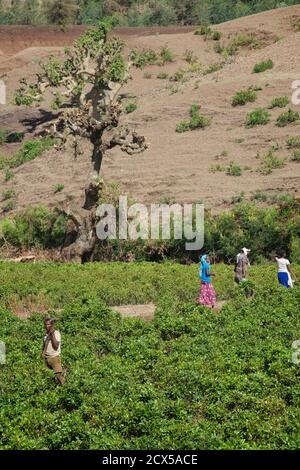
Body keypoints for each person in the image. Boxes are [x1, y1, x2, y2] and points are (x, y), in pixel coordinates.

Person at [41, 318, 65, 385]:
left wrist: (52, 334)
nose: (46, 326)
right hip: (46, 358)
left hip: (54, 357)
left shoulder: (56, 333)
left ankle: (65, 388)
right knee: (47, 377)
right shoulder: (45, 335)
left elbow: (56, 346)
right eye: (45, 324)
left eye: (48, 324)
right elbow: (44, 346)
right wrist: (42, 354)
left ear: (52, 325)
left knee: (58, 376)